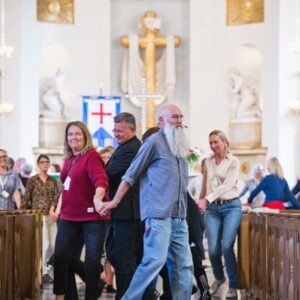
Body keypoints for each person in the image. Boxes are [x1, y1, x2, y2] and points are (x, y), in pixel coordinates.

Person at [99, 104, 194, 300]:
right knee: (153, 262)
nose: (179, 121)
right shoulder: (153, 143)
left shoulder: (181, 145)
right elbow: (130, 175)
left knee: (184, 266)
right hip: (158, 215)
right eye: (174, 117)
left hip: (179, 216)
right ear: (161, 120)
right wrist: (115, 201)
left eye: (180, 117)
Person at [52, 121, 110, 300]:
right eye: (70, 134)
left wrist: (97, 198)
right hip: (69, 217)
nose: (73, 137)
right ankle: (65, 297)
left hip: (93, 218)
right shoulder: (69, 160)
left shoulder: (91, 157)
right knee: (61, 258)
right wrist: (57, 209)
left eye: (77, 134)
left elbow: (101, 181)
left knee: (92, 261)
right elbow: (65, 188)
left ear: (85, 136)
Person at [104, 112, 145, 300]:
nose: (116, 134)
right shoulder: (124, 147)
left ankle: (125, 296)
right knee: (114, 252)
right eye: (114, 130)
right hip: (120, 211)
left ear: (132, 130)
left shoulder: (131, 148)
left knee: (125, 259)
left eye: (119, 130)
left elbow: (109, 173)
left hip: (128, 212)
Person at [197, 130, 242, 299]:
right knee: (214, 250)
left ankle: (233, 286)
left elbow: (228, 186)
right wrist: (201, 200)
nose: (213, 145)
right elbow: (205, 183)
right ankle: (219, 278)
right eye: (210, 143)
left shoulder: (234, 161)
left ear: (224, 142)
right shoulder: (208, 161)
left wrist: (206, 199)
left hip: (231, 207)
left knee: (227, 246)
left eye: (215, 142)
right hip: (212, 209)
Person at [21, 154, 60, 282]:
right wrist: (23, 215)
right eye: (42, 162)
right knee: (45, 243)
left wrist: (53, 210)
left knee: (54, 244)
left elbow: (56, 197)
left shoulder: (53, 181)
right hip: (38, 216)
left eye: (46, 162)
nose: (44, 164)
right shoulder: (32, 180)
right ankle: (42, 271)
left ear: (49, 164)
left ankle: (48, 268)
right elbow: (26, 198)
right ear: (38, 164)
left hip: (51, 215)